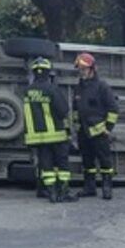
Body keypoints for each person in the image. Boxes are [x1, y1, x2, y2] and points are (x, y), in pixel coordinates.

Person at [23, 57, 77, 203]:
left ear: (34, 73)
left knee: (46, 166)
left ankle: (51, 193)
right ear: (48, 73)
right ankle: (63, 192)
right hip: (56, 135)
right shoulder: (52, 89)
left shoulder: (27, 91)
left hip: (38, 138)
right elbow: (63, 110)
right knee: (62, 164)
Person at [73, 52, 118, 200]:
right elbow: (75, 109)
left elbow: (113, 109)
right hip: (83, 132)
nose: (82, 72)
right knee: (87, 161)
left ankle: (107, 187)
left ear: (93, 69)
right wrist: (76, 126)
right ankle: (89, 187)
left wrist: (108, 128)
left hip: (99, 133)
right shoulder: (78, 88)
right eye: (80, 69)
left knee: (105, 161)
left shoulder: (102, 87)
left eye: (84, 69)